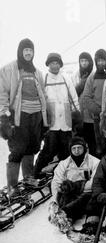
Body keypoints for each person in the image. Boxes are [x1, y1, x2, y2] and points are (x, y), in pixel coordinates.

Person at [0, 38, 48, 194]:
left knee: (32, 146)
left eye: (30, 50)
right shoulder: (10, 69)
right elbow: (2, 93)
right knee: (18, 149)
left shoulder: (37, 72)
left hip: (36, 115)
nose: (28, 53)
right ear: (20, 52)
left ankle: (28, 177)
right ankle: (12, 185)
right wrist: (4, 114)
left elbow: (43, 95)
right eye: (25, 50)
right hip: (18, 115)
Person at [32, 53, 80, 181]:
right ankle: (36, 173)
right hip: (51, 123)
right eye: (52, 63)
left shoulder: (66, 79)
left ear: (60, 64)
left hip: (65, 122)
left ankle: (62, 174)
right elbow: (40, 98)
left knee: (66, 150)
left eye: (57, 63)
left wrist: (77, 114)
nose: (55, 65)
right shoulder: (44, 79)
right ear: (48, 64)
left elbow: (74, 98)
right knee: (48, 149)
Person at [48, 137, 99, 234]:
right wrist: (57, 198)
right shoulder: (64, 164)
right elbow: (56, 182)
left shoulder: (94, 162)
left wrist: (78, 186)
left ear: (84, 148)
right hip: (71, 194)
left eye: (79, 148)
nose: (76, 151)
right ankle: (67, 221)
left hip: (86, 192)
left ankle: (67, 213)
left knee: (86, 198)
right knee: (66, 196)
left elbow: (95, 181)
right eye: (74, 148)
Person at [82, 49, 106, 158]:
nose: (100, 63)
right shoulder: (92, 77)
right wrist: (98, 110)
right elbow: (86, 97)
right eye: (98, 61)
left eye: (103, 60)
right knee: (98, 147)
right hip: (97, 117)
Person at [72, 52, 94, 147]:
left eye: (86, 61)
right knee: (80, 140)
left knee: (92, 140)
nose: (84, 63)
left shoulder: (94, 74)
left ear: (90, 62)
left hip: (91, 112)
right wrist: (82, 83)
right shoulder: (75, 75)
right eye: (82, 61)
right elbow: (73, 92)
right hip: (79, 112)